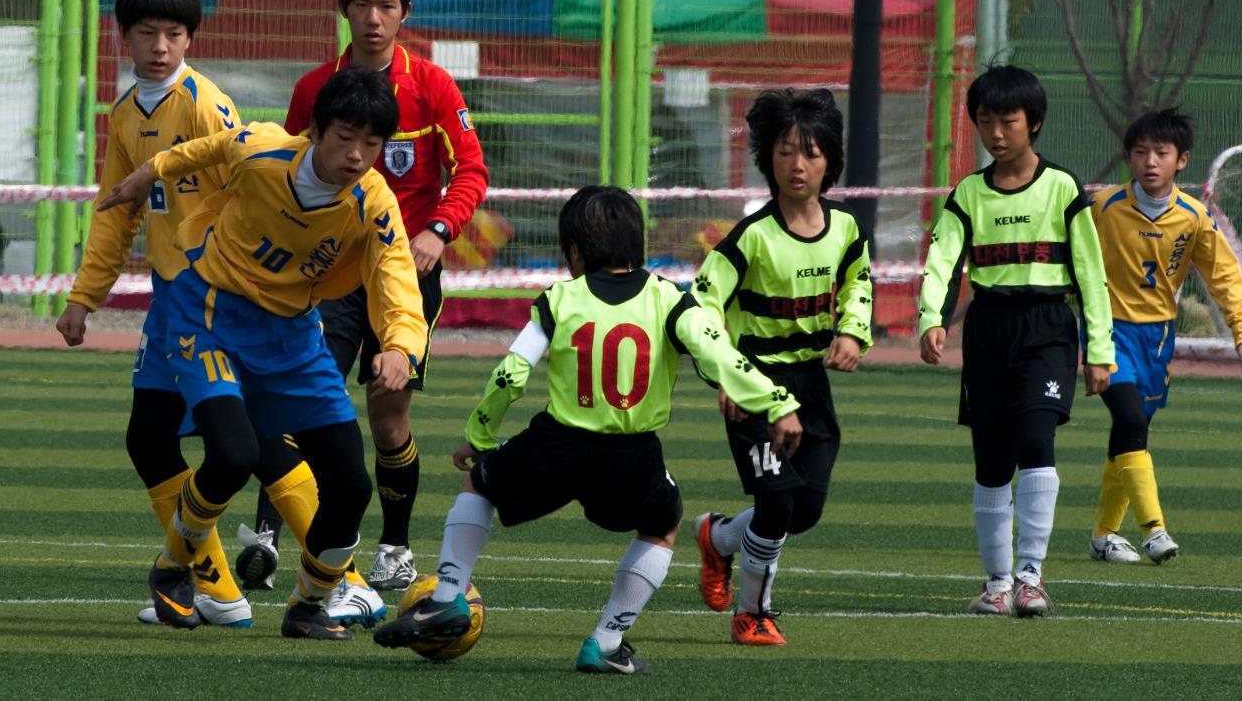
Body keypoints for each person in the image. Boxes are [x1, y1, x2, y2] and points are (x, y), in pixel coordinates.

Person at [371, 186, 801, 674]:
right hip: (632, 454)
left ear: (574, 251)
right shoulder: (670, 301)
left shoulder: (560, 298)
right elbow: (721, 358)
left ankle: (447, 595)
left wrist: (480, 432)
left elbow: (512, 372)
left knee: (479, 483)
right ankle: (607, 641)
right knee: (662, 526)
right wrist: (778, 402)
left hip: (557, 442)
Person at [96, 66, 428, 640]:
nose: (356, 154)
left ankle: (308, 606)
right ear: (316, 131)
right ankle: (175, 565)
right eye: (345, 137)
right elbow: (209, 147)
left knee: (351, 485)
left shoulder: (373, 202)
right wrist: (145, 174)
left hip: (294, 339)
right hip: (210, 318)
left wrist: (401, 347)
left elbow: (397, 280)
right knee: (233, 454)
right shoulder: (264, 151)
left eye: (371, 143)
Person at [238, 0, 489, 595]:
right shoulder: (316, 88)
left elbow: (472, 171)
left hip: (406, 276)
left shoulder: (433, 87)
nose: (373, 19)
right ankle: (266, 535)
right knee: (299, 397)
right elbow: (282, 170)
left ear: (405, 11)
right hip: (327, 272)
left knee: (388, 412)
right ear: (343, 10)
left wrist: (439, 229)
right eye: (361, 6)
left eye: (386, 5)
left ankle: (396, 548)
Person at [55, 0, 251, 628]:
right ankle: (218, 587)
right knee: (150, 437)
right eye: (148, 32)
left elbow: (248, 190)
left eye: (175, 33)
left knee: (258, 441)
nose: (161, 45)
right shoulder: (124, 113)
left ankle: (334, 580)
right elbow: (117, 214)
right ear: (124, 38)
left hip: (221, 295)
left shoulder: (204, 104)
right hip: (174, 297)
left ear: (191, 38)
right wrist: (85, 297)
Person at [917, 64, 1113, 618]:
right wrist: (933, 318)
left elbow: (1090, 273)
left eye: (1008, 121)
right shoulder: (967, 195)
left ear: (1035, 124)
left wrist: (1101, 350)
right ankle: (997, 583)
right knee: (991, 459)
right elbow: (941, 262)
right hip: (988, 330)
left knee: (1035, 439)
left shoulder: (1063, 188)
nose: (996, 133)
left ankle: (1031, 576)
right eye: (985, 121)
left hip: (1047, 327)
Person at [690, 88, 873, 646]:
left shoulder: (845, 229)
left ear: (831, 161)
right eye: (787, 150)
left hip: (810, 383)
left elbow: (858, 282)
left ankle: (719, 539)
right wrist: (729, 377)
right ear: (768, 157)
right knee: (775, 502)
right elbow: (700, 311)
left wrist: (852, 330)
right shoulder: (749, 238)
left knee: (804, 511)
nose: (799, 164)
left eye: (812, 153)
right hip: (756, 382)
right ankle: (754, 613)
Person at [1087, 109, 1242, 565]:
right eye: (1139, 152)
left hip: (1157, 338)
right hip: (1108, 329)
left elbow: (1225, 280)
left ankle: (1103, 535)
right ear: (1128, 159)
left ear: (1182, 161)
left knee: (1132, 431)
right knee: (1132, 420)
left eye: (1161, 152)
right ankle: (1154, 529)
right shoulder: (1102, 207)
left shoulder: (1194, 218)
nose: (1149, 161)